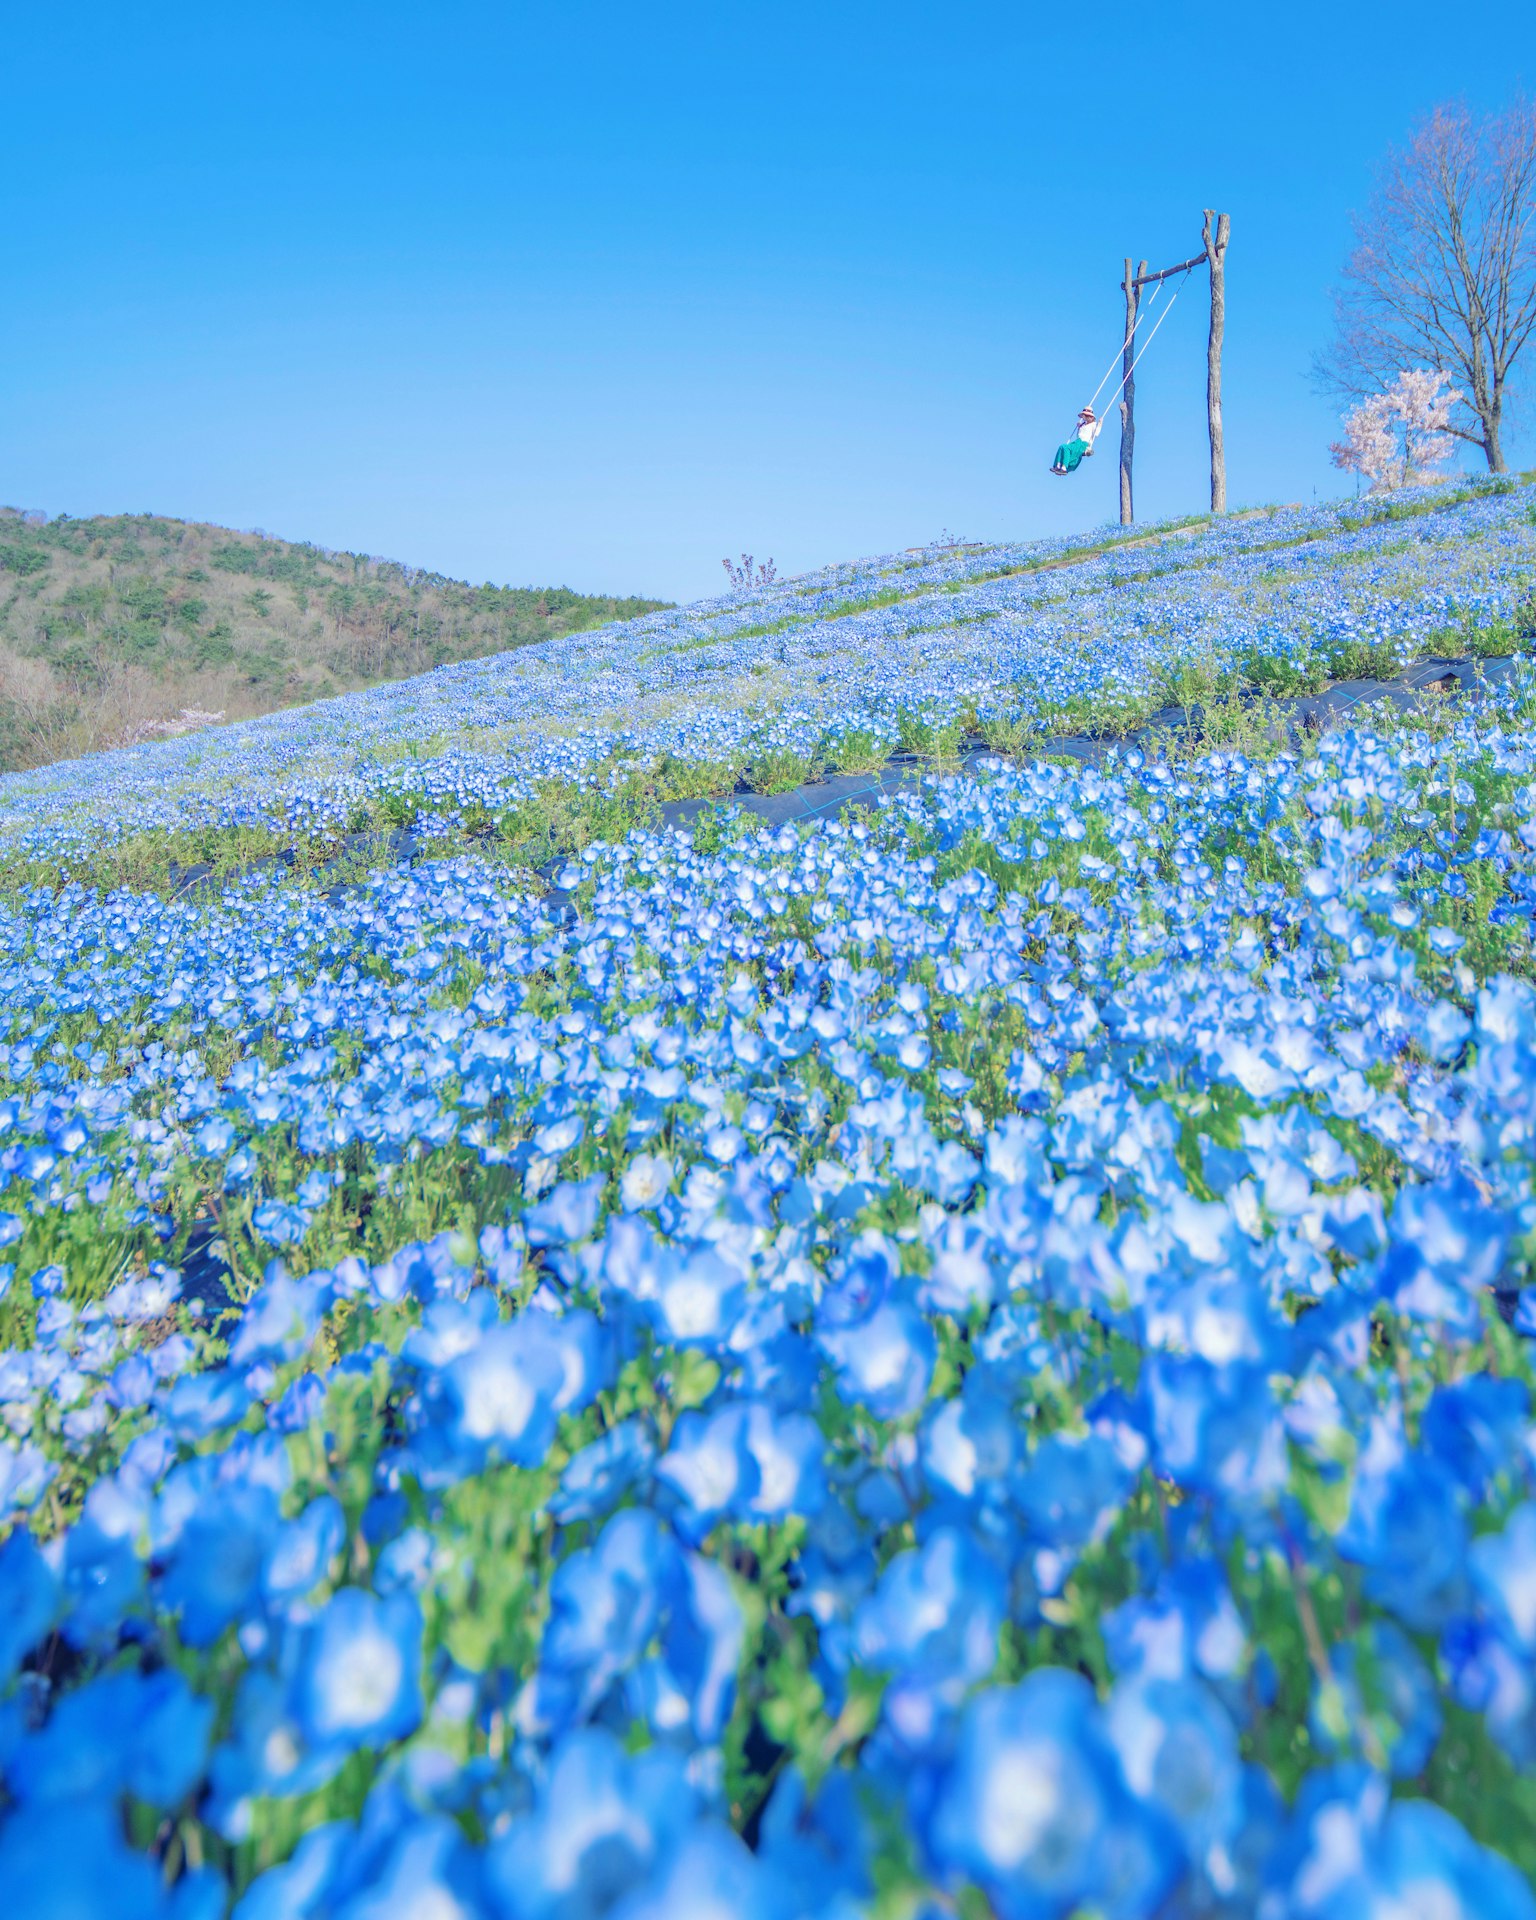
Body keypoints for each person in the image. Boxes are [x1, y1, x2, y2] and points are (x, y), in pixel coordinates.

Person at [1050, 407, 1102, 477]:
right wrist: (1079, 427)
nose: (1083, 418)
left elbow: (1096, 433)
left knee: (1066, 448)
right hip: (1077, 442)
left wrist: (1100, 424)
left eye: (1085, 416)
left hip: (1083, 443)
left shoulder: (1093, 424)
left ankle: (1064, 467)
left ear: (1090, 416)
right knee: (1062, 446)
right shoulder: (1083, 424)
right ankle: (1058, 465)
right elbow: (1079, 435)